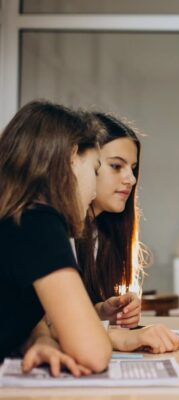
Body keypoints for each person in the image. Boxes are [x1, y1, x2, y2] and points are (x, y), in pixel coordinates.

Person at [0, 100, 112, 376]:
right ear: (73, 156)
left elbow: (15, 307)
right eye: (95, 170)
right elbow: (93, 354)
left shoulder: (15, 216)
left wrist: (40, 339)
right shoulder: (37, 221)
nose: (95, 191)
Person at [76, 112, 179, 354]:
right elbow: (42, 322)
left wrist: (102, 312)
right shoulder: (52, 228)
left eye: (132, 169)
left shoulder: (102, 234)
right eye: (116, 166)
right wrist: (115, 336)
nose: (131, 179)